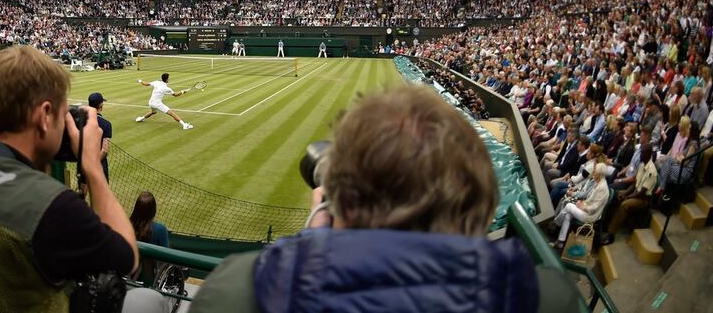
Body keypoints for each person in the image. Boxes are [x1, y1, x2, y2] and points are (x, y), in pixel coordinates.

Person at [190, 84, 576, 313]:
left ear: (338, 199)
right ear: (477, 205)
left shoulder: (235, 291)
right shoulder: (549, 298)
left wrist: (316, 236)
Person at [0, 45, 138, 311]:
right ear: (43, 116)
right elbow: (127, 259)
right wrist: (92, 166)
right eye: (63, 115)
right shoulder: (49, 206)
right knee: (144, 301)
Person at [552, 163, 611, 249]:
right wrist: (582, 203)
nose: (593, 172)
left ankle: (555, 223)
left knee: (568, 206)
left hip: (590, 215)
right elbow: (589, 200)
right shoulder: (598, 183)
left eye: (595, 171)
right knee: (568, 215)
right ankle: (561, 241)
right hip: (586, 209)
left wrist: (582, 206)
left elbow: (594, 208)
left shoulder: (602, 188)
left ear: (599, 174)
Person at [130, 191, 171, 286]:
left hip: (126, 273)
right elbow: (166, 257)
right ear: (153, 210)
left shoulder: (125, 224)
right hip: (149, 279)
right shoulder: (160, 230)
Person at [90, 91, 113, 181]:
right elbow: (104, 150)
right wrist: (94, 164)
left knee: (82, 191)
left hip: (84, 160)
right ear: (100, 106)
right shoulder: (106, 124)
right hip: (99, 162)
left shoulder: (81, 119)